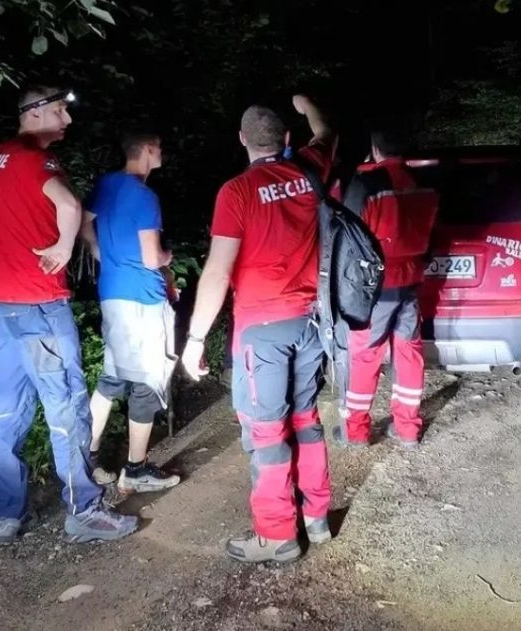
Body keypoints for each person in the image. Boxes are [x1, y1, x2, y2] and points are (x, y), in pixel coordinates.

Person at [0, 85, 138, 545]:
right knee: (66, 403)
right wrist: (64, 246)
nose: (67, 120)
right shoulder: (37, 160)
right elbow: (70, 206)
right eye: (58, 111)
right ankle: (84, 511)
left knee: (6, 409)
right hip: (38, 304)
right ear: (32, 115)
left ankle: (7, 517)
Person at [180, 94, 336, 564]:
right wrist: (308, 105)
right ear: (288, 140)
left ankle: (277, 535)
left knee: (266, 432)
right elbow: (328, 133)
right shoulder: (309, 169)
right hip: (309, 324)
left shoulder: (237, 192)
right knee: (305, 418)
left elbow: (218, 270)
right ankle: (317, 517)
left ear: (243, 140)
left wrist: (194, 340)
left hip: (261, 332)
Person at [79, 131, 181, 493]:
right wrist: (168, 259)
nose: (162, 153)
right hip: (143, 299)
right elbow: (153, 257)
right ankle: (136, 470)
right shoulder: (144, 196)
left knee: (111, 378)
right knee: (148, 381)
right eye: (160, 147)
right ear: (149, 150)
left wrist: (99, 252)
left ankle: (85, 457)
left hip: (112, 294)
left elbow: (83, 222)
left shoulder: (107, 184)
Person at [334, 123, 439, 449]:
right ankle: (407, 429)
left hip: (374, 288)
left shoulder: (367, 183)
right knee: (408, 354)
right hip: (410, 282)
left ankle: (357, 432)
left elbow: (348, 235)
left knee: (365, 356)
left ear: (375, 150)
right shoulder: (424, 183)